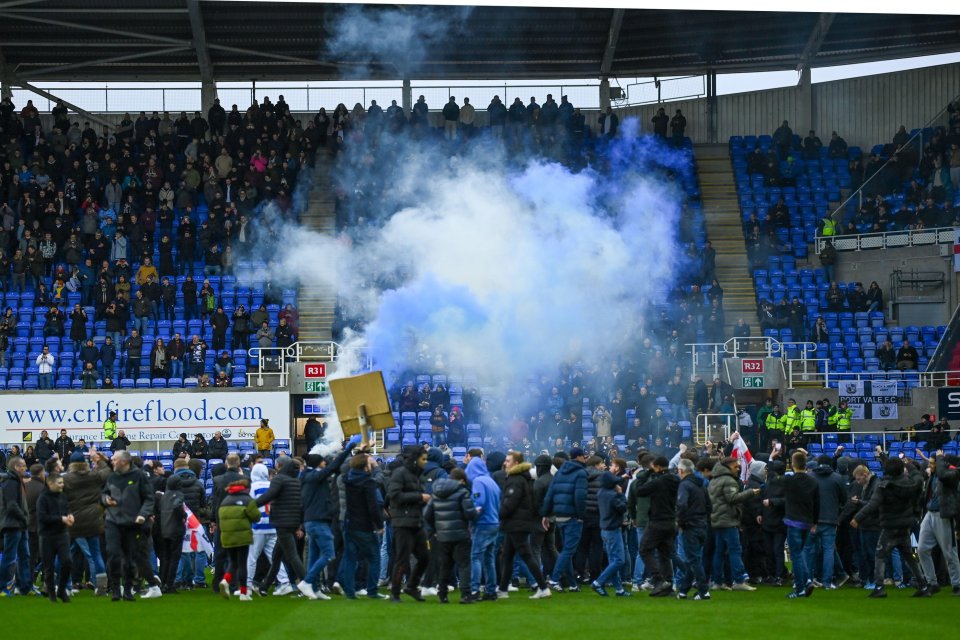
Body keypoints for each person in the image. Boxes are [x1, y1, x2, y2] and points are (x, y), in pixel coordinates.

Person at [851, 456, 930, 598]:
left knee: (880, 555)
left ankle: (879, 587)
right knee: (909, 557)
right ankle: (923, 585)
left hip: (889, 527)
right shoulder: (911, 484)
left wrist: (857, 518)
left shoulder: (884, 486)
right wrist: (910, 466)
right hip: (904, 526)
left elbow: (872, 504)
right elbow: (919, 478)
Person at [101, 450, 163, 601]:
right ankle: (116, 589)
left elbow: (149, 498)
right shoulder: (112, 477)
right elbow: (103, 494)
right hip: (112, 521)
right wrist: (105, 500)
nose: (112, 462)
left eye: (114, 460)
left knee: (130, 557)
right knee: (113, 554)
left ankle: (128, 590)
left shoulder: (139, 476)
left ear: (124, 462)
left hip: (132, 522)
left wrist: (143, 514)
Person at [301, 439, 357, 596]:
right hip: (319, 520)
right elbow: (334, 465)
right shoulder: (315, 477)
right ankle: (307, 582)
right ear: (319, 464)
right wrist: (349, 448)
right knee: (329, 553)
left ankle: (315, 588)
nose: (326, 464)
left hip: (311, 520)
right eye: (323, 463)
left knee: (314, 556)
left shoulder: (306, 476)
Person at [255, 455, 313, 598]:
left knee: (292, 555)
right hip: (293, 521)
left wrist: (252, 504)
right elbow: (300, 504)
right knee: (276, 556)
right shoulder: (296, 482)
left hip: (281, 522)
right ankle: (264, 586)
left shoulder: (279, 480)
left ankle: (307, 583)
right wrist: (299, 524)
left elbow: (269, 495)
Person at [498, 451, 551, 599]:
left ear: (516, 463)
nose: (505, 463)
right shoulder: (524, 478)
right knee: (507, 557)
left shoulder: (515, 480)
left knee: (526, 555)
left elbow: (510, 503)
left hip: (516, 524)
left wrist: (498, 514)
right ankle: (502, 590)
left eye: (508, 461)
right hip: (516, 523)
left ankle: (543, 587)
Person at [424, 466, 477, 604]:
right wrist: (476, 512)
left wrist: (436, 528)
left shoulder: (436, 492)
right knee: (464, 565)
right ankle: (465, 595)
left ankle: (443, 595)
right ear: (461, 480)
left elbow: (427, 514)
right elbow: (469, 513)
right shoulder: (462, 492)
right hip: (460, 535)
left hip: (442, 536)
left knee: (445, 565)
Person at [387, 445, 432, 602]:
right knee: (402, 559)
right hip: (403, 523)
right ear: (415, 459)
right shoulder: (400, 473)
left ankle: (411, 586)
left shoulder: (418, 475)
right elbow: (394, 495)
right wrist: (420, 497)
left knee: (425, 557)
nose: (426, 462)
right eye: (423, 459)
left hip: (416, 522)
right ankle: (395, 593)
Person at [63, 450, 110, 595]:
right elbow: (108, 471)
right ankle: (101, 586)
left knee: (65, 553)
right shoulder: (93, 476)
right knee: (96, 554)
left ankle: (63, 585)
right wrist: (101, 460)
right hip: (93, 520)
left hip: (73, 520)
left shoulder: (66, 479)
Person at [708, 456, 759, 591]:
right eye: (736, 466)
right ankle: (739, 580)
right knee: (735, 550)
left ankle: (718, 582)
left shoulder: (714, 479)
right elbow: (733, 498)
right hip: (728, 520)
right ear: (729, 466)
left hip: (717, 520)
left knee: (719, 552)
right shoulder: (729, 480)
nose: (738, 468)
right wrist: (751, 493)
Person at [340, 452, 386, 600]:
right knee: (374, 558)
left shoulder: (348, 479)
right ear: (366, 466)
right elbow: (372, 507)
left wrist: (360, 452)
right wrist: (379, 525)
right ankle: (372, 590)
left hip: (349, 523)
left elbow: (347, 468)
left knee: (350, 558)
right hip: (364, 525)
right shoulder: (368, 482)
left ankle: (349, 592)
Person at [541, 447, 588, 591]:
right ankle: (555, 580)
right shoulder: (581, 473)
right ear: (580, 457)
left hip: (559, 516)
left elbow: (550, 494)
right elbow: (580, 497)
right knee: (568, 550)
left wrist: (545, 514)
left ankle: (573, 584)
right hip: (573, 516)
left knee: (566, 551)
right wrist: (581, 516)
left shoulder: (560, 472)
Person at [916, 451, 960, 595]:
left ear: (941, 463)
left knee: (949, 552)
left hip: (944, 515)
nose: (929, 466)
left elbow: (943, 475)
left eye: (932, 463)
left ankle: (957, 584)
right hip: (930, 513)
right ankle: (931, 582)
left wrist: (940, 458)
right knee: (922, 549)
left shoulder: (952, 474)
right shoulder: (933, 475)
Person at [781, 451, 819, 599]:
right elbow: (817, 503)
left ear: (792, 464)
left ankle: (801, 586)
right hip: (807, 522)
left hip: (793, 520)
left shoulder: (789, 480)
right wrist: (814, 522)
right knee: (801, 553)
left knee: (796, 554)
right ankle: (806, 581)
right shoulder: (813, 481)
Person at [217, 477, 261, 601]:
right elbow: (256, 516)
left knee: (233, 561)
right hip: (242, 535)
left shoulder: (225, 500)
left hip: (226, 535)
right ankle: (243, 593)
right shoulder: (247, 500)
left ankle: (226, 580)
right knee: (242, 564)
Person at [675, 457, 711, 599]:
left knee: (694, 560)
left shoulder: (684, 485)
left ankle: (703, 591)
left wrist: (680, 522)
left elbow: (682, 505)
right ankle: (684, 591)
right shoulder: (701, 485)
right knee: (693, 559)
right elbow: (709, 506)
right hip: (702, 525)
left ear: (681, 470)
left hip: (690, 526)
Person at [35, 472, 74, 602]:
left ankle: (61, 590)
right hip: (47, 535)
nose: (62, 485)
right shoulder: (43, 498)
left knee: (67, 561)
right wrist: (61, 519)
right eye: (59, 483)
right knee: (48, 566)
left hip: (62, 534)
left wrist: (69, 516)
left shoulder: (63, 495)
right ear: (50, 483)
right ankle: (51, 593)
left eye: (62, 482)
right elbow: (42, 517)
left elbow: (67, 509)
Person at [591, 469, 629, 597]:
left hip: (605, 529)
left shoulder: (601, 492)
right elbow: (622, 508)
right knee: (619, 560)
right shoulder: (613, 495)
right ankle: (598, 582)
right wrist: (621, 494)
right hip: (613, 530)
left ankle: (619, 589)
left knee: (613, 560)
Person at [0, 456, 32, 596]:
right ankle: (2, 586)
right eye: (23, 466)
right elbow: (12, 505)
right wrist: (24, 518)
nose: (26, 468)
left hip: (19, 524)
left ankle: (24, 587)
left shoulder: (16, 481)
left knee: (24, 556)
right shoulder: (10, 483)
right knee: (10, 557)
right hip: (13, 524)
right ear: (16, 467)